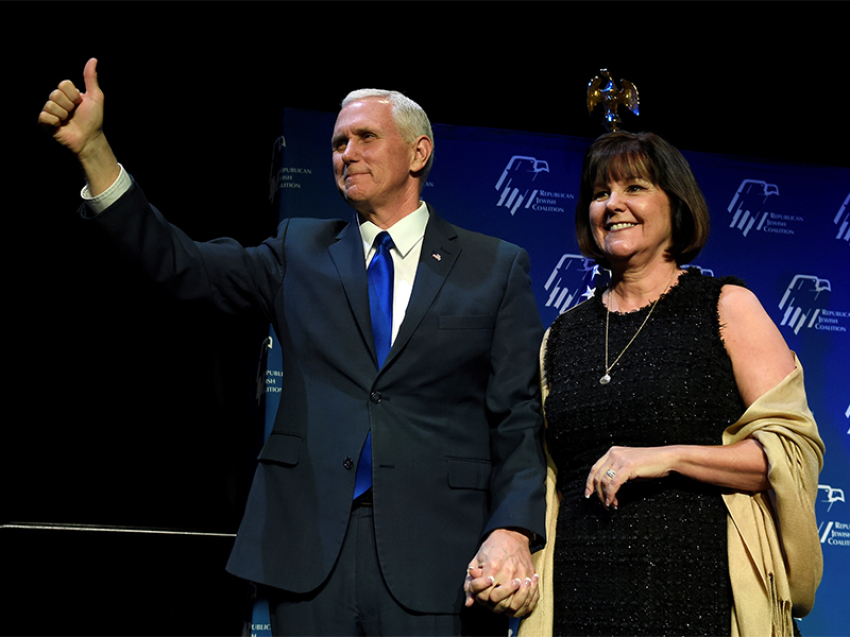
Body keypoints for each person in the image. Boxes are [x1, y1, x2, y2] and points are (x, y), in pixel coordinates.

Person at [39, 58, 547, 636]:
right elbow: (181, 264)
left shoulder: (495, 266)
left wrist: (512, 529)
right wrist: (94, 151)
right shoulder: (298, 249)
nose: (346, 153)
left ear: (418, 153)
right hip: (310, 552)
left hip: (440, 553)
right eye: (337, 142)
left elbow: (517, 416)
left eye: (365, 137)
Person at [520, 131, 824, 637]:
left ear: (675, 204)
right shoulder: (561, 335)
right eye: (599, 194)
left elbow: (787, 452)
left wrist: (666, 456)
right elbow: (547, 475)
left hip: (702, 593)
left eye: (634, 187)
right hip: (580, 595)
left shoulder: (726, 307)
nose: (613, 204)